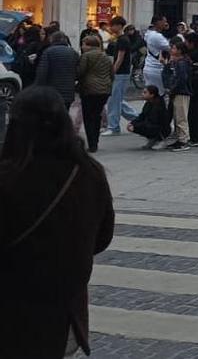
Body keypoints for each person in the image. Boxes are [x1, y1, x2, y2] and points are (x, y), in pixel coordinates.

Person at [0, 88, 115, 359]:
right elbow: (102, 238)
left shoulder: (8, 177)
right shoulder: (89, 172)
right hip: (63, 311)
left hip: (11, 309)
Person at [100, 16, 139, 137]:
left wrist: (113, 72)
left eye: (113, 25)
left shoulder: (123, 40)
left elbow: (120, 58)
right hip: (122, 73)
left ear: (119, 26)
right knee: (117, 100)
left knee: (114, 101)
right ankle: (138, 118)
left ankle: (114, 127)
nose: (111, 28)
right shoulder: (121, 39)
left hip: (121, 73)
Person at [76, 35, 114, 154]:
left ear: (89, 45)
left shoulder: (86, 56)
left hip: (89, 89)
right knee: (97, 115)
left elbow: (80, 72)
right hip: (104, 90)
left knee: (88, 117)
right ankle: (95, 141)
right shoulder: (105, 56)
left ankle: (92, 144)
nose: (82, 47)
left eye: (83, 44)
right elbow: (111, 73)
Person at [34, 31, 79, 110]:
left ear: (53, 40)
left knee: (51, 113)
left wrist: (38, 87)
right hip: (68, 90)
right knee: (64, 112)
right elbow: (78, 71)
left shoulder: (48, 52)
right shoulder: (73, 52)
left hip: (52, 89)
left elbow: (42, 72)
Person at [164, 40, 192, 151]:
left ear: (180, 51)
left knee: (181, 117)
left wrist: (173, 88)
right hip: (178, 91)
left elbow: (181, 78)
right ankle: (180, 138)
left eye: (174, 48)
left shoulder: (182, 63)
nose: (172, 50)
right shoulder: (177, 62)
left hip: (181, 92)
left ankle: (184, 140)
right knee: (178, 116)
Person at [142, 15, 171, 91]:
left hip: (149, 66)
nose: (166, 24)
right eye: (164, 21)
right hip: (156, 69)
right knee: (158, 93)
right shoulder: (157, 36)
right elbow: (170, 48)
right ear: (158, 22)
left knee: (150, 92)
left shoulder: (148, 33)